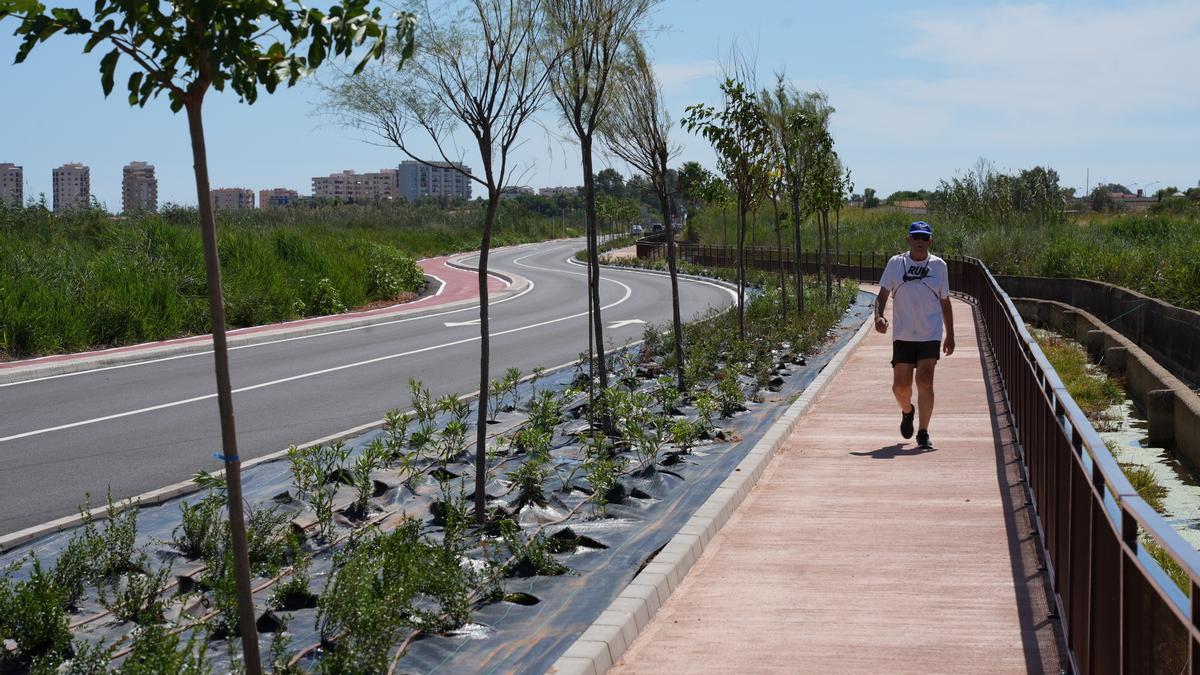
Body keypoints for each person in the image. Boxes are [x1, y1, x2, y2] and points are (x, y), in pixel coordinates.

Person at [874, 221, 955, 448]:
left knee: (925, 382)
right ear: (908, 239)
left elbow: (945, 302)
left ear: (931, 241)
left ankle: (923, 432)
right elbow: (881, 296)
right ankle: (907, 411)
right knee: (900, 387)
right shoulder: (896, 264)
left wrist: (950, 334)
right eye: (916, 237)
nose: (920, 242)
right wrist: (878, 317)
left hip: (930, 334)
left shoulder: (940, 266)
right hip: (903, 335)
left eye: (924, 238)